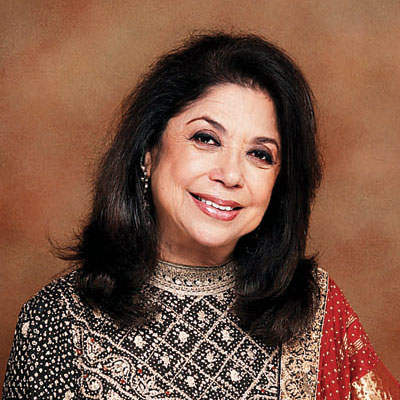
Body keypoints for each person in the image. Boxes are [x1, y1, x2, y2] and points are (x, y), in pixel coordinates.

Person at [2, 33, 399, 400]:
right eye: (206, 139)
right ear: (149, 151)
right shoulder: (56, 320)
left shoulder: (315, 309)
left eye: (260, 154)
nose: (230, 175)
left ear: (279, 184)